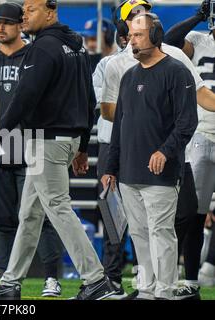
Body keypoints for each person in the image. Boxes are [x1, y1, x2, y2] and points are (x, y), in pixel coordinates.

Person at [0, 0, 115, 300]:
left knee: (57, 207)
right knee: (30, 213)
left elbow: (24, 97)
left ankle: (95, 279)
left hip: (46, 141)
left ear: (51, 11)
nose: (24, 15)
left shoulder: (41, 48)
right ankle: (10, 282)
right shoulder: (77, 47)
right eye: (24, 10)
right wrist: (82, 146)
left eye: (31, 9)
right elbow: (88, 98)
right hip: (66, 141)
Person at [101, 0, 212, 299]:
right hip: (128, 172)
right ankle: (147, 289)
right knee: (139, 234)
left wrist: (165, 151)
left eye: (138, 35)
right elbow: (119, 128)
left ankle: (164, 290)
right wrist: (111, 168)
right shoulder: (127, 76)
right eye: (131, 34)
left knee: (161, 232)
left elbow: (187, 122)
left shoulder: (177, 71)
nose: (131, 39)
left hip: (162, 172)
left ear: (156, 35)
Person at [0, 1, 63, 298]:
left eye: (7, 22)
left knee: (41, 217)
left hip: (33, 145)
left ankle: (51, 279)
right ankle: (8, 281)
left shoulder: (35, 54)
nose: (1, 27)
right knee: (3, 220)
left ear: (21, 24)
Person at [165, 0, 215, 296]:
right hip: (201, 135)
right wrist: (197, 16)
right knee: (192, 213)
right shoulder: (198, 40)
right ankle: (190, 281)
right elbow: (168, 42)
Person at [92, 30, 130, 299]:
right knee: (111, 213)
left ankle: (147, 275)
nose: (132, 39)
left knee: (146, 212)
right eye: (128, 33)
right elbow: (102, 105)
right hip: (111, 143)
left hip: (145, 143)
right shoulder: (107, 64)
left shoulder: (162, 62)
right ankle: (113, 278)